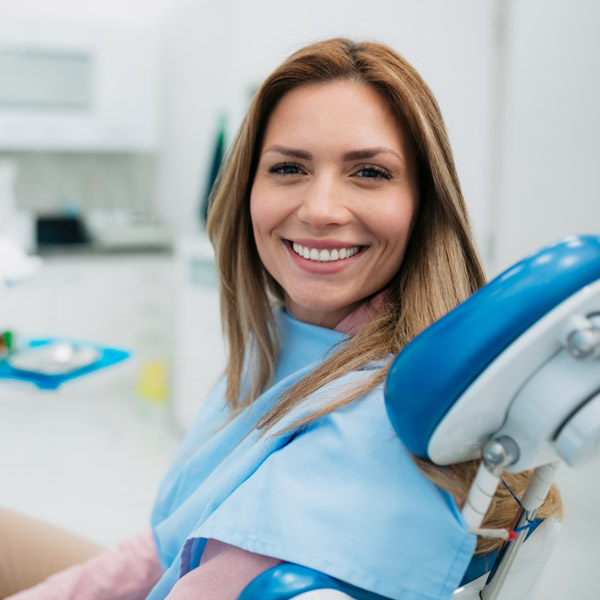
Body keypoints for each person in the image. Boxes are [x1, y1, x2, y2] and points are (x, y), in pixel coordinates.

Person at [0, 38, 561, 600]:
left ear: (423, 203)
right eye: (289, 167)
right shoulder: (283, 341)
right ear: (248, 189)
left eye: (368, 172)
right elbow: (166, 545)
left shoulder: (381, 419)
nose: (320, 210)